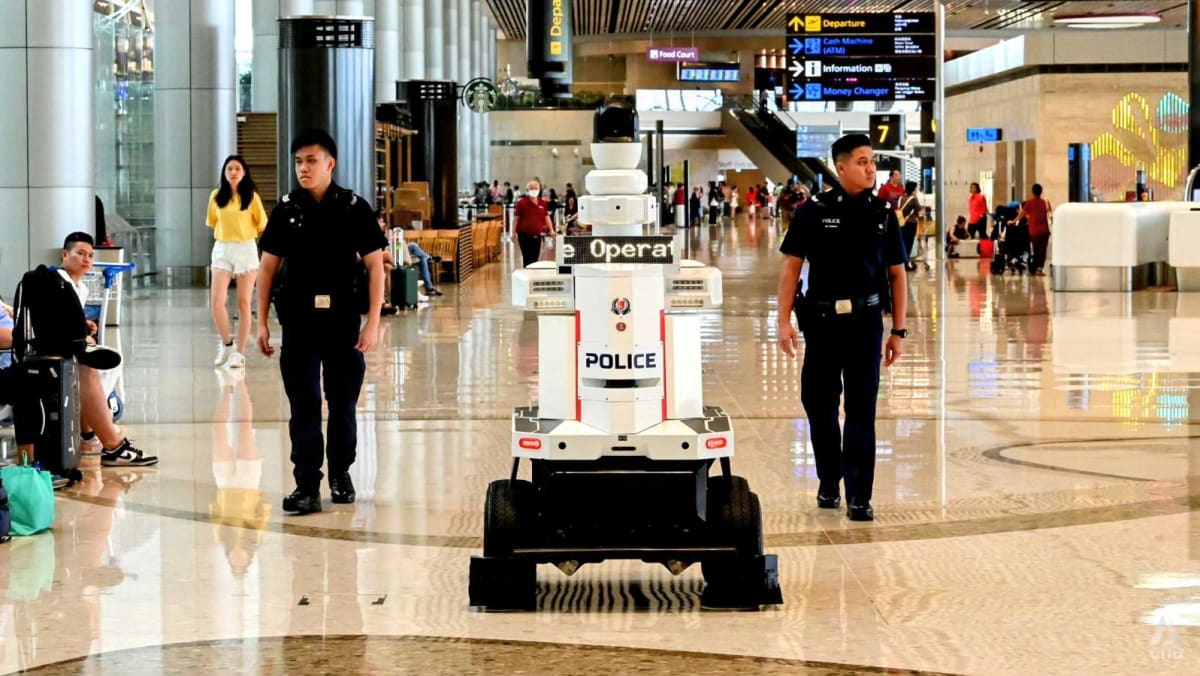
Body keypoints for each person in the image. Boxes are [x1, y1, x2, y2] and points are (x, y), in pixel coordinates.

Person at [775, 133, 908, 522]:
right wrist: (783, 321)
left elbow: (897, 276)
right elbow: (791, 268)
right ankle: (829, 480)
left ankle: (860, 496)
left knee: (862, 410)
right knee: (819, 405)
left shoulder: (883, 214)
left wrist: (898, 331)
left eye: (873, 162)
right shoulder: (813, 211)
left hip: (866, 325)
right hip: (821, 324)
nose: (871, 169)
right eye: (863, 162)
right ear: (841, 166)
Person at [256, 129, 387, 515]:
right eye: (298, 161)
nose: (303, 168)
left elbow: (375, 265)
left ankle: (341, 475)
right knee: (304, 405)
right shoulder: (286, 210)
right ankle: (306, 485)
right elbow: (266, 270)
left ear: (330, 163)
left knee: (343, 402)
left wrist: (374, 320)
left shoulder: (352, 207)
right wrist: (261, 321)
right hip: (298, 321)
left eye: (311, 160)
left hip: (343, 320)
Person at [56, 233, 157, 466]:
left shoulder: (78, 287)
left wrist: (84, 327)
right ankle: (110, 443)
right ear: (65, 254)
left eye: (90, 255)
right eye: (80, 253)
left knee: (111, 362)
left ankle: (89, 431)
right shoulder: (59, 283)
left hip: (70, 345)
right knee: (91, 366)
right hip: (61, 350)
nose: (86, 260)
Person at [207, 155, 268, 369]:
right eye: (229, 168)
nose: (233, 172)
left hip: (246, 248)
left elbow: (262, 225)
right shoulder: (216, 196)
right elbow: (212, 221)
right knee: (216, 302)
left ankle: (239, 354)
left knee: (243, 303)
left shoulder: (251, 197)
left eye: (237, 169)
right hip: (222, 248)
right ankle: (227, 343)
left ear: (244, 173)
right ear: (225, 173)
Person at [1013, 183, 1052, 275]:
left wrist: (1013, 221)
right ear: (1041, 191)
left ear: (1033, 192)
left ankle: (1034, 266)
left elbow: (1022, 213)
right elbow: (1049, 214)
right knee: (1043, 250)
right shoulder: (1045, 202)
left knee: (1035, 249)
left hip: (1034, 230)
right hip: (1045, 230)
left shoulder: (1029, 202)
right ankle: (1039, 268)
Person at [513, 179, 551, 267]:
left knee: (535, 259)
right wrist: (513, 232)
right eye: (531, 188)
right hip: (524, 235)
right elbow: (515, 219)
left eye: (536, 188)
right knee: (527, 258)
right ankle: (526, 275)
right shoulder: (521, 203)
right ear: (528, 190)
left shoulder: (543, 203)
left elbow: (546, 217)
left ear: (539, 189)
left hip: (537, 236)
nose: (534, 190)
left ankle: (533, 275)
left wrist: (551, 230)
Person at [898, 181, 922, 271]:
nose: (917, 190)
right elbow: (920, 211)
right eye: (916, 188)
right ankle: (906, 265)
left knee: (903, 244)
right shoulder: (913, 198)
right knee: (908, 244)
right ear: (913, 189)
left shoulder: (901, 197)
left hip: (902, 223)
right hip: (911, 224)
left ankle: (902, 263)